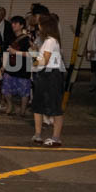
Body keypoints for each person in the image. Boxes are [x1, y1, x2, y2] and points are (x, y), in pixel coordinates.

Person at [31, 14, 66, 146]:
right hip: (45, 75)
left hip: (50, 76)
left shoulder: (50, 41)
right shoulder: (50, 40)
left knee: (54, 107)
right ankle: (38, 134)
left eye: (39, 24)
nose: (38, 27)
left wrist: (33, 63)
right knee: (38, 106)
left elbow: (45, 60)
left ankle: (56, 138)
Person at [2, 16, 32, 117]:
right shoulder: (10, 38)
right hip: (10, 67)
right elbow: (6, 52)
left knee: (24, 90)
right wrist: (3, 66)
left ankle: (23, 110)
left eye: (16, 23)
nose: (13, 25)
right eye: (12, 23)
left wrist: (16, 52)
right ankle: (10, 106)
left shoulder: (27, 39)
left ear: (22, 25)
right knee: (6, 88)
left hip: (23, 68)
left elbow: (31, 54)